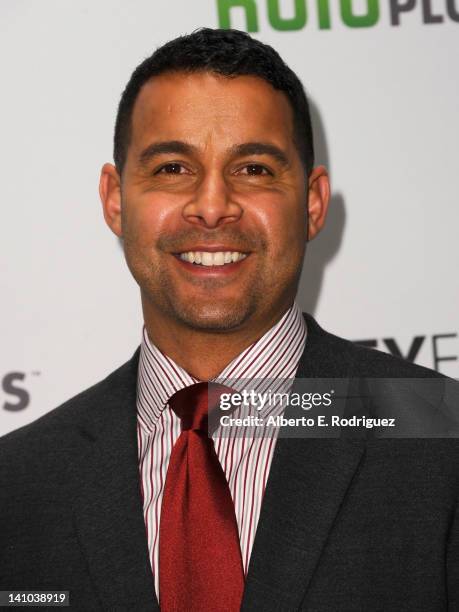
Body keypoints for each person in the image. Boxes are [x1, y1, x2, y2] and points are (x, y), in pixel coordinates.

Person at [1, 28, 458, 612]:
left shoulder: (444, 443)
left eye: (255, 170)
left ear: (313, 203)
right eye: (171, 168)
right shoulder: (16, 484)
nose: (213, 206)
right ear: (115, 199)